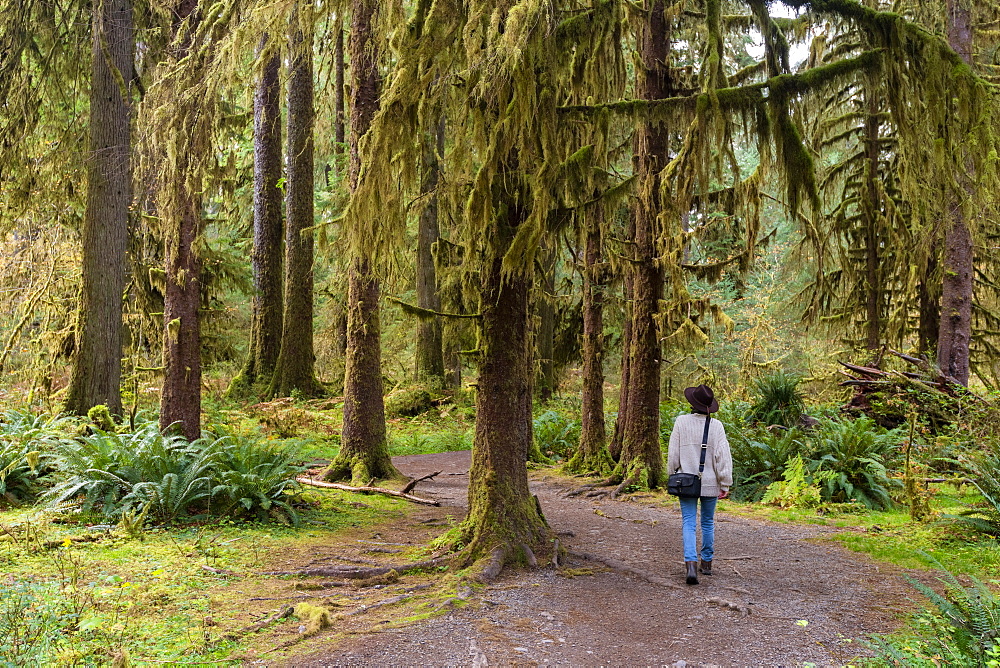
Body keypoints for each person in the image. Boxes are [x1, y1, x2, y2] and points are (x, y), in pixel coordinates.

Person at [667, 384, 733, 585]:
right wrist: (725, 483)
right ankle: (707, 563)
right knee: (707, 522)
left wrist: (673, 474)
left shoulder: (681, 422)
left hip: (686, 481)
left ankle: (691, 565)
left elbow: (673, 455)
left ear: (692, 403)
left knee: (688, 522)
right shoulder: (716, 426)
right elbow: (723, 457)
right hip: (711, 482)